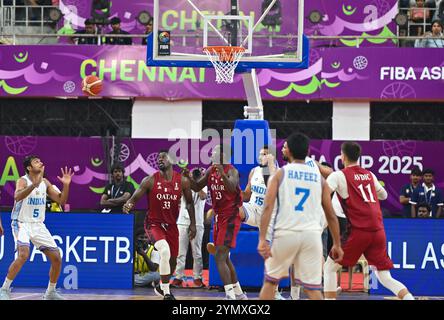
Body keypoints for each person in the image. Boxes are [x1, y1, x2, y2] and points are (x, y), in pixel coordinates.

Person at [322, 142, 415, 300]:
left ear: (342, 156)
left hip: (358, 231)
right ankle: (409, 298)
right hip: (378, 231)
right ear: (359, 156)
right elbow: (384, 195)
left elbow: (324, 195)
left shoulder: (338, 175)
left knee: (329, 268)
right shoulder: (370, 175)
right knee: (385, 277)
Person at [257, 133, 343, 300]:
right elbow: (331, 214)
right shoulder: (319, 179)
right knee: (312, 290)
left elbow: (268, 207)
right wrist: (337, 244)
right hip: (311, 236)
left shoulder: (280, 174)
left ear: (288, 151)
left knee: (270, 283)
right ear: (308, 150)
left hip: (286, 233)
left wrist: (262, 238)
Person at [123, 150, 196, 300]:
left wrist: (193, 225)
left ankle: (160, 287)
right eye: (158, 158)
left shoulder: (182, 181)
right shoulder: (150, 180)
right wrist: (128, 204)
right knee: (164, 251)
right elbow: (135, 197)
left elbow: (189, 203)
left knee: (173, 261)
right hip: (153, 224)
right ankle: (167, 293)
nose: (160, 159)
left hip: (171, 226)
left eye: (163, 157)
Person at [0, 155, 74, 300]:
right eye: (36, 161)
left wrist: (66, 185)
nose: (40, 162)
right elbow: (17, 196)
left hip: (38, 225)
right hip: (21, 222)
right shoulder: (22, 180)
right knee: (23, 254)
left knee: (57, 258)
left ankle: (50, 292)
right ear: (29, 167)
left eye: (40, 160)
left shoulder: (45, 182)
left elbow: (61, 200)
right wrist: (33, 184)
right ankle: (4, 289)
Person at [186, 145, 246, 300]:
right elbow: (198, 186)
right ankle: (238, 293)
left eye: (215, 152)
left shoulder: (232, 171)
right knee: (224, 257)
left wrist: (222, 174)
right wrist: (188, 178)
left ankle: (230, 296)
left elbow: (232, 188)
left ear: (223, 155)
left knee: (219, 255)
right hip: (219, 217)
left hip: (231, 216)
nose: (211, 154)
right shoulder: (210, 170)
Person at [172, 168, 207, 288]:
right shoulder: (185, 184)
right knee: (180, 252)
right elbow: (179, 195)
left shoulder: (204, 186)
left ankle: (197, 278)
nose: (197, 176)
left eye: (199, 175)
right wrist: (185, 179)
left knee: (197, 253)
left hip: (197, 223)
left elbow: (202, 196)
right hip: (182, 221)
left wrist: (195, 182)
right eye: (194, 173)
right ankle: (178, 277)